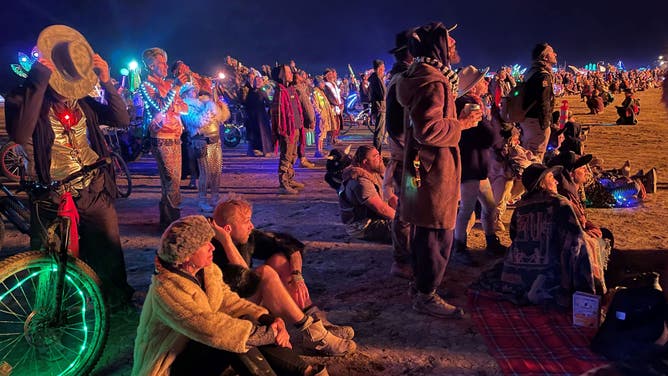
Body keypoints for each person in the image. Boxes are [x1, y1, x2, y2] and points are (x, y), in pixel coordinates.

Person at [5, 25, 134, 309]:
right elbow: (21, 133)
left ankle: (114, 300)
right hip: (51, 191)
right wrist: (38, 80)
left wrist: (107, 80)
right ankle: (54, 310)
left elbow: (121, 120)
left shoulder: (84, 102)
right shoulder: (24, 96)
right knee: (51, 254)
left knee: (107, 248)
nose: (68, 91)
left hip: (93, 185)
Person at [132, 215, 328, 376]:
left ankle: (306, 371)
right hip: (169, 364)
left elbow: (229, 301)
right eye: (205, 244)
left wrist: (269, 319)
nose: (213, 248)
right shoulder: (166, 289)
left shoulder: (207, 271)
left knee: (246, 323)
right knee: (230, 340)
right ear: (186, 255)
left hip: (196, 346)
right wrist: (268, 334)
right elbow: (208, 327)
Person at [396, 22, 482, 318]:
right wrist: (463, 124)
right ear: (438, 46)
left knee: (425, 231)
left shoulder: (425, 75)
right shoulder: (434, 81)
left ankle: (422, 286)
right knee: (437, 233)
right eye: (449, 38)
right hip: (433, 171)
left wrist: (454, 116)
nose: (455, 42)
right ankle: (426, 294)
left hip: (424, 167)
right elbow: (429, 130)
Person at [211, 198, 357, 356]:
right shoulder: (211, 249)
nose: (251, 226)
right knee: (265, 273)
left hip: (246, 299)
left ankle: (315, 320)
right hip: (229, 311)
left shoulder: (246, 237)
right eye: (246, 222)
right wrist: (226, 242)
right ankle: (314, 334)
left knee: (279, 259)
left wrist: (297, 275)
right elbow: (245, 278)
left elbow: (291, 246)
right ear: (227, 229)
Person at [500, 164, 608, 306]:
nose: (556, 181)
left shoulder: (520, 206)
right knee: (594, 244)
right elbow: (576, 238)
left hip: (518, 273)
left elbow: (514, 235)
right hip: (551, 271)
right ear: (542, 182)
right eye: (551, 177)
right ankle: (589, 294)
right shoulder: (559, 202)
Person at [454, 66, 507, 261]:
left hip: (475, 164)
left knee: (489, 205)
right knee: (467, 209)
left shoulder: (468, 102)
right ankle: (459, 246)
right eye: (483, 81)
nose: (486, 83)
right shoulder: (471, 106)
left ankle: (491, 240)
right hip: (471, 165)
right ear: (474, 87)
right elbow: (488, 136)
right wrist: (491, 121)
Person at [139, 47, 189, 229]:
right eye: (162, 63)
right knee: (172, 181)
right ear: (152, 66)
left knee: (170, 182)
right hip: (162, 138)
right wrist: (174, 91)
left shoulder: (168, 84)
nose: (167, 66)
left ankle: (167, 220)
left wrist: (173, 100)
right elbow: (160, 106)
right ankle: (174, 222)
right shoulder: (147, 86)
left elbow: (184, 107)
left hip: (176, 136)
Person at [384, 29, 414, 279]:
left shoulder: (402, 75)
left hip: (407, 156)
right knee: (407, 208)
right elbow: (395, 124)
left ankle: (406, 255)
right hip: (407, 159)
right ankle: (401, 260)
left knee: (410, 208)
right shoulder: (402, 78)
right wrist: (411, 149)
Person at [180, 81, 230, 213]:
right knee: (205, 173)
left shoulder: (203, 102)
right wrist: (210, 106)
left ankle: (215, 197)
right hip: (201, 141)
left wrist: (220, 107)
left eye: (195, 89)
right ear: (185, 94)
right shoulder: (185, 106)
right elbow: (198, 122)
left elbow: (222, 118)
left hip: (215, 140)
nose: (195, 92)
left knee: (216, 172)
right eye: (191, 90)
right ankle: (202, 200)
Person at [338, 145, 395, 243]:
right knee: (410, 231)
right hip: (363, 227)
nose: (381, 158)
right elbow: (381, 208)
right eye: (376, 156)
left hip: (376, 218)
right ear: (365, 162)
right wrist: (403, 219)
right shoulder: (361, 181)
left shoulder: (373, 172)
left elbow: (390, 197)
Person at [271, 65, 305, 195]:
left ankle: (290, 179)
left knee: (292, 156)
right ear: (282, 75)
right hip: (287, 130)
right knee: (285, 156)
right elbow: (278, 114)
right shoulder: (280, 92)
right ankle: (283, 183)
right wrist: (282, 131)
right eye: (289, 72)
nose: (292, 74)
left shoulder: (290, 89)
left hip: (295, 127)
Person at [520, 43, 557, 161]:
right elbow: (544, 101)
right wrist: (546, 124)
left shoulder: (532, 72)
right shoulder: (542, 75)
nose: (555, 54)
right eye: (552, 52)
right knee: (535, 156)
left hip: (527, 119)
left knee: (527, 152)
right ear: (545, 57)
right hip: (537, 121)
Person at [312, 76, 336, 158]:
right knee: (319, 134)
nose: (323, 85)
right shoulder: (315, 92)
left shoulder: (320, 92)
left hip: (324, 117)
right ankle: (318, 151)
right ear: (318, 83)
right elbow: (315, 106)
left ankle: (320, 150)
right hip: (320, 118)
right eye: (322, 83)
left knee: (322, 134)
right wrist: (320, 115)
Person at [368, 59, 387, 151]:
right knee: (379, 133)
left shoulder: (375, 78)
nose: (384, 70)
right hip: (380, 108)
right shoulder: (377, 79)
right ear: (379, 68)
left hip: (379, 107)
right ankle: (377, 153)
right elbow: (383, 95)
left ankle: (377, 152)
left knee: (379, 132)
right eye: (383, 68)